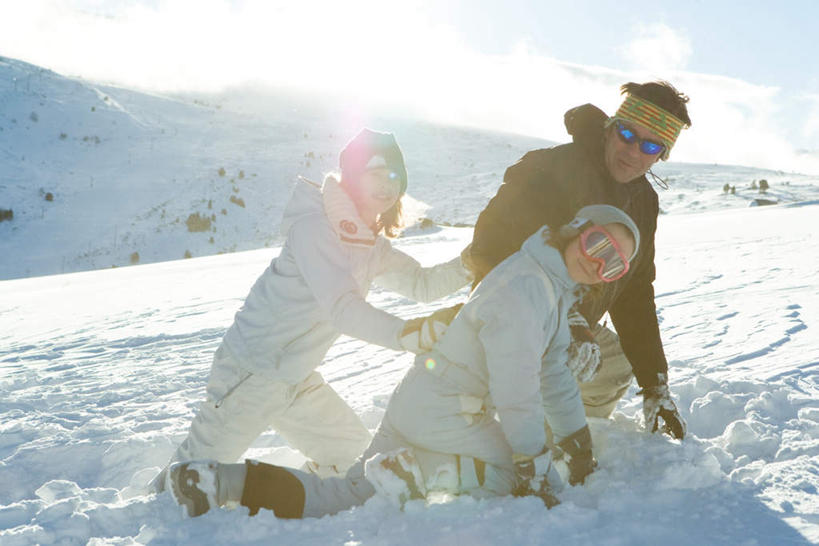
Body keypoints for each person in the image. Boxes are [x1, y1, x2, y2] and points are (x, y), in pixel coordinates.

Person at [165, 204, 640, 519]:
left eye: (614, 264)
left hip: (423, 401)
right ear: (576, 230)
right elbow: (517, 391)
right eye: (598, 245)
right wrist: (535, 464)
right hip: (447, 411)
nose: (599, 264)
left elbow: (554, 370)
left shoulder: (549, 286)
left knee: (350, 495)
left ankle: (219, 480)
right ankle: (420, 472)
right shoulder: (526, 288)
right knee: (510, 478)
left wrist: (577, 440)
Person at [151, 128, 472, 491]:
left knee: (354, 458)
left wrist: (475, 261)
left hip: (295, 379)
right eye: (375, 172)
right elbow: (343, 309)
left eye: (394, 175)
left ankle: (305, 509)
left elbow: (421, 284)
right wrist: (410, 334)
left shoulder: (366, 243)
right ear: (351, 177)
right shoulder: (315, 228)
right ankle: (135, 520)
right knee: (189, 479)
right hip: (250, 375)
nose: (387, 184)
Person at [464, 81, 692, 439]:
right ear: (610, 127)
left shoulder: (644, 201)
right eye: (627, 134)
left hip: (575, 334)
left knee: (613, 365)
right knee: (492, 410)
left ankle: (557, 431)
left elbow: (634, 292)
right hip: (507, 320)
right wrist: (561, 316)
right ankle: (498, 428)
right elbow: (489, 248)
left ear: (661, 154)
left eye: (650, 145)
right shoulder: (550, 169)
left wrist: (654, 384)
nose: (633, 152)